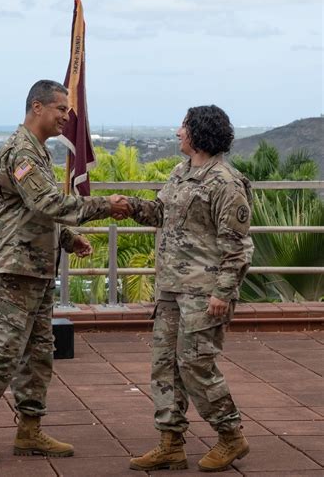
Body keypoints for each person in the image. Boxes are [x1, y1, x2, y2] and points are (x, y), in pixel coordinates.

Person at [0, 80, 131, 464]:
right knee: (2, 354)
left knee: (38, 354)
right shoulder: (21, 151)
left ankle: (29, 430)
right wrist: (106, 206)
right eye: (60, 109)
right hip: (13, 270)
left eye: (67, 110)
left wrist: (67, 238)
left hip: (37, 269)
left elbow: (32, 211)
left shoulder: (39, 152)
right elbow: (46, 201)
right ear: (37, 107)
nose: (66, 116)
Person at [127, 105, 254, 472]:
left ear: (198, 132)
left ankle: (231, 436)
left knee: (196, 364)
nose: (177, 132)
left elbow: (238, 246)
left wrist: (223, 292)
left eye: (183, 126)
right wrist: (124, 207)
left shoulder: (226, 182)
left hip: (204, 292)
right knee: (164, 366)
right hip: (171, 289)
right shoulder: (182, 173)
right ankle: (170, 443)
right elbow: (159, 214)